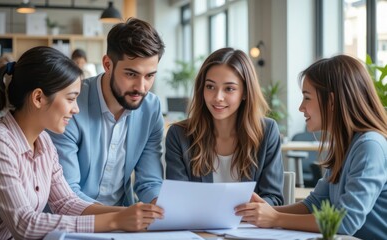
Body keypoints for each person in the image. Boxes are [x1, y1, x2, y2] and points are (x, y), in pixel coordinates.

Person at [0, 46, 163, 239]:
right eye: (71, 99)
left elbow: (65, 202)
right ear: (38, 98)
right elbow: (24, 224)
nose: (76, 109)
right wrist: (115, 221)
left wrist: (127, 214)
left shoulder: (43, 141)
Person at [239, 55, 387, 239]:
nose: (301, 107)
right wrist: (260, 213)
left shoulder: (369, 146)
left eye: (307, 98)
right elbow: (315, 203)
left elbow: (345, 221)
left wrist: (276, 218)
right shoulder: (346, 145)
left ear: (331, 101)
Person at [48, 18, 166, 206]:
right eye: (131, 74)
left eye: (150, 76)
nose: (141, 88)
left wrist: (160, 206)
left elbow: (149, 182)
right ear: (107, 64)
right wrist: (121, 218)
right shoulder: (71, 104)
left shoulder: (151, 108)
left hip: (122, 224)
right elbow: (67, 192)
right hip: (71, 222)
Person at [165, 47, 284, 207]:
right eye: (210, 86)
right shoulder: (179, 135)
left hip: (249, 229)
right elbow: (178, 199)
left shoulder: (266, 131)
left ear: (245, 92)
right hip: (197, 229)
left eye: (229, 89)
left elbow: (274, 199)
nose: (218, 97)